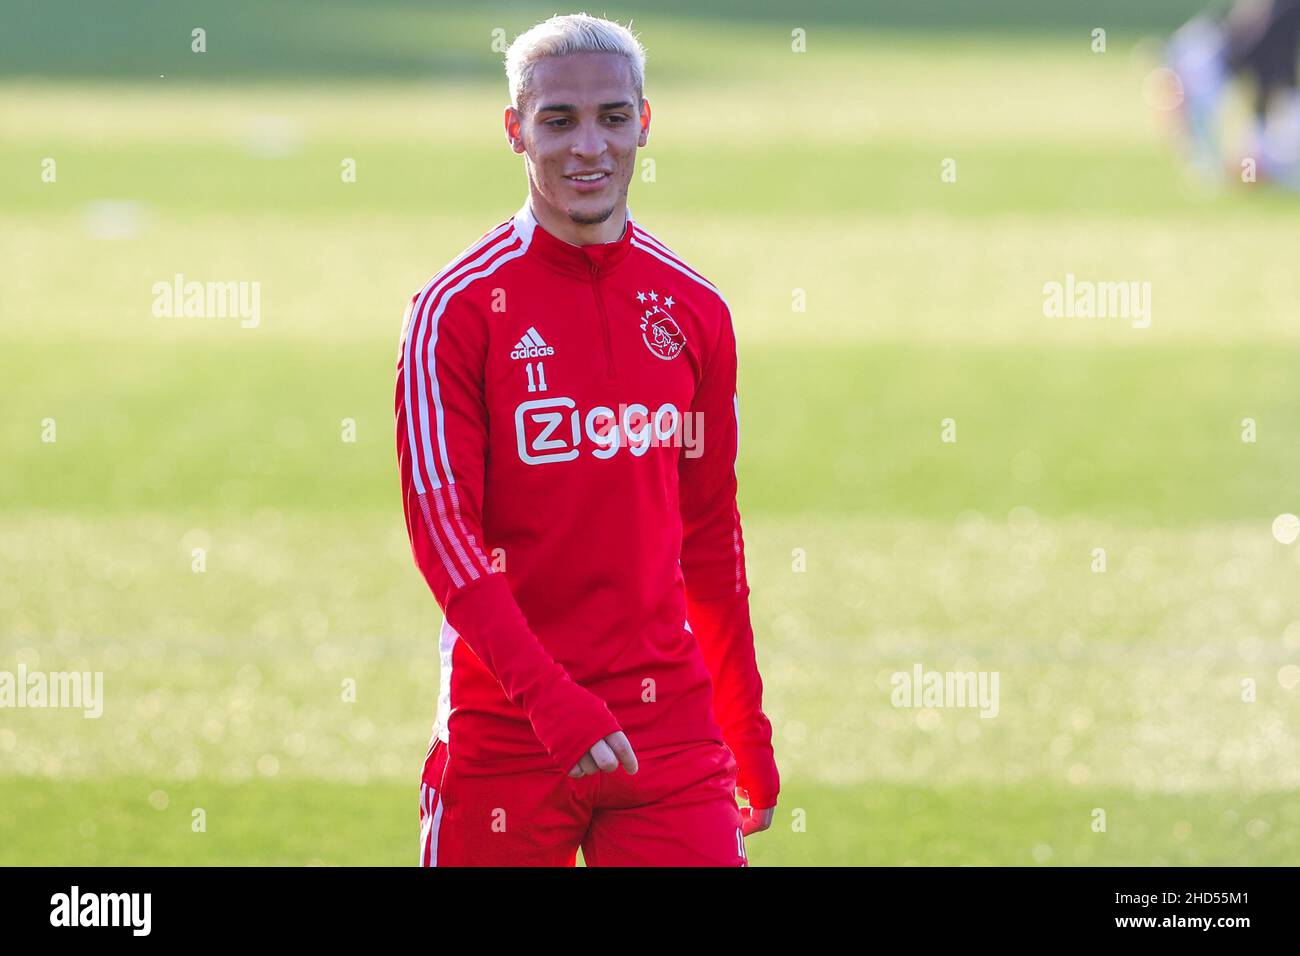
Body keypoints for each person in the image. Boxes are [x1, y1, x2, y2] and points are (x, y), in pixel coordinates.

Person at [395, 12, 779, 866]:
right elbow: (443, 537)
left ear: (644, 122)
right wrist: (549, 701)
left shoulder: (695, 311)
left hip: (669, 732)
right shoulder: (455, 312)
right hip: (506, 729)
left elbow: (710, 536)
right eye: (557, 121)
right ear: (515, 130)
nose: (588, 147)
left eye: (612, 117)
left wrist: (741, 719)